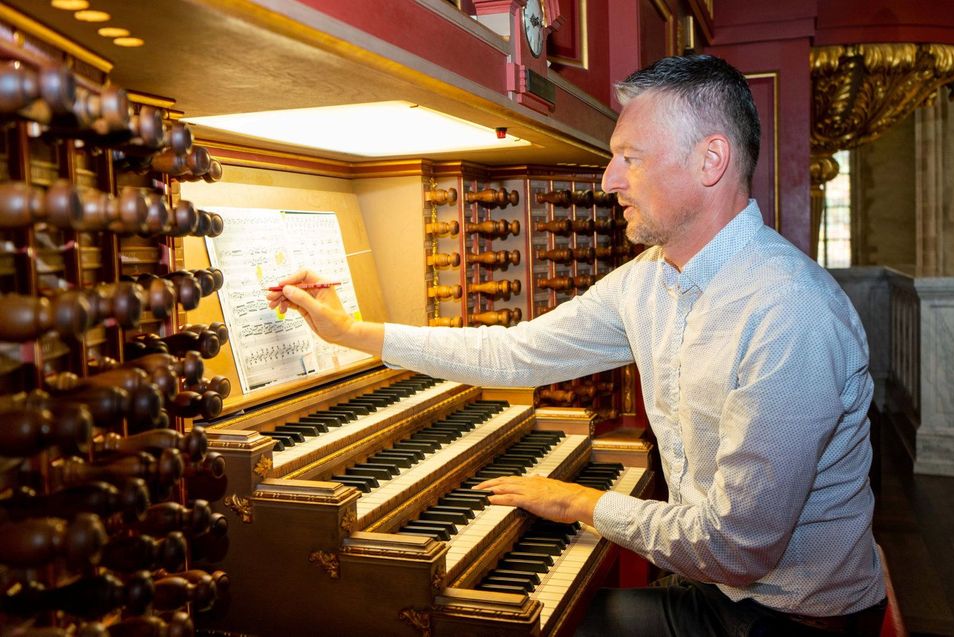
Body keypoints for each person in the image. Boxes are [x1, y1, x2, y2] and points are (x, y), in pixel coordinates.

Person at [267, 54, 887, 637]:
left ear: (711, 161)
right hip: (717, 589)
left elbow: (737, 547)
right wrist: (353, 332)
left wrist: (580, 500)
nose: (608, 179)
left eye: (630, 158)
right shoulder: (647, 280)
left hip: (793, 617)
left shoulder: (790, 314)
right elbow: (513, 354)